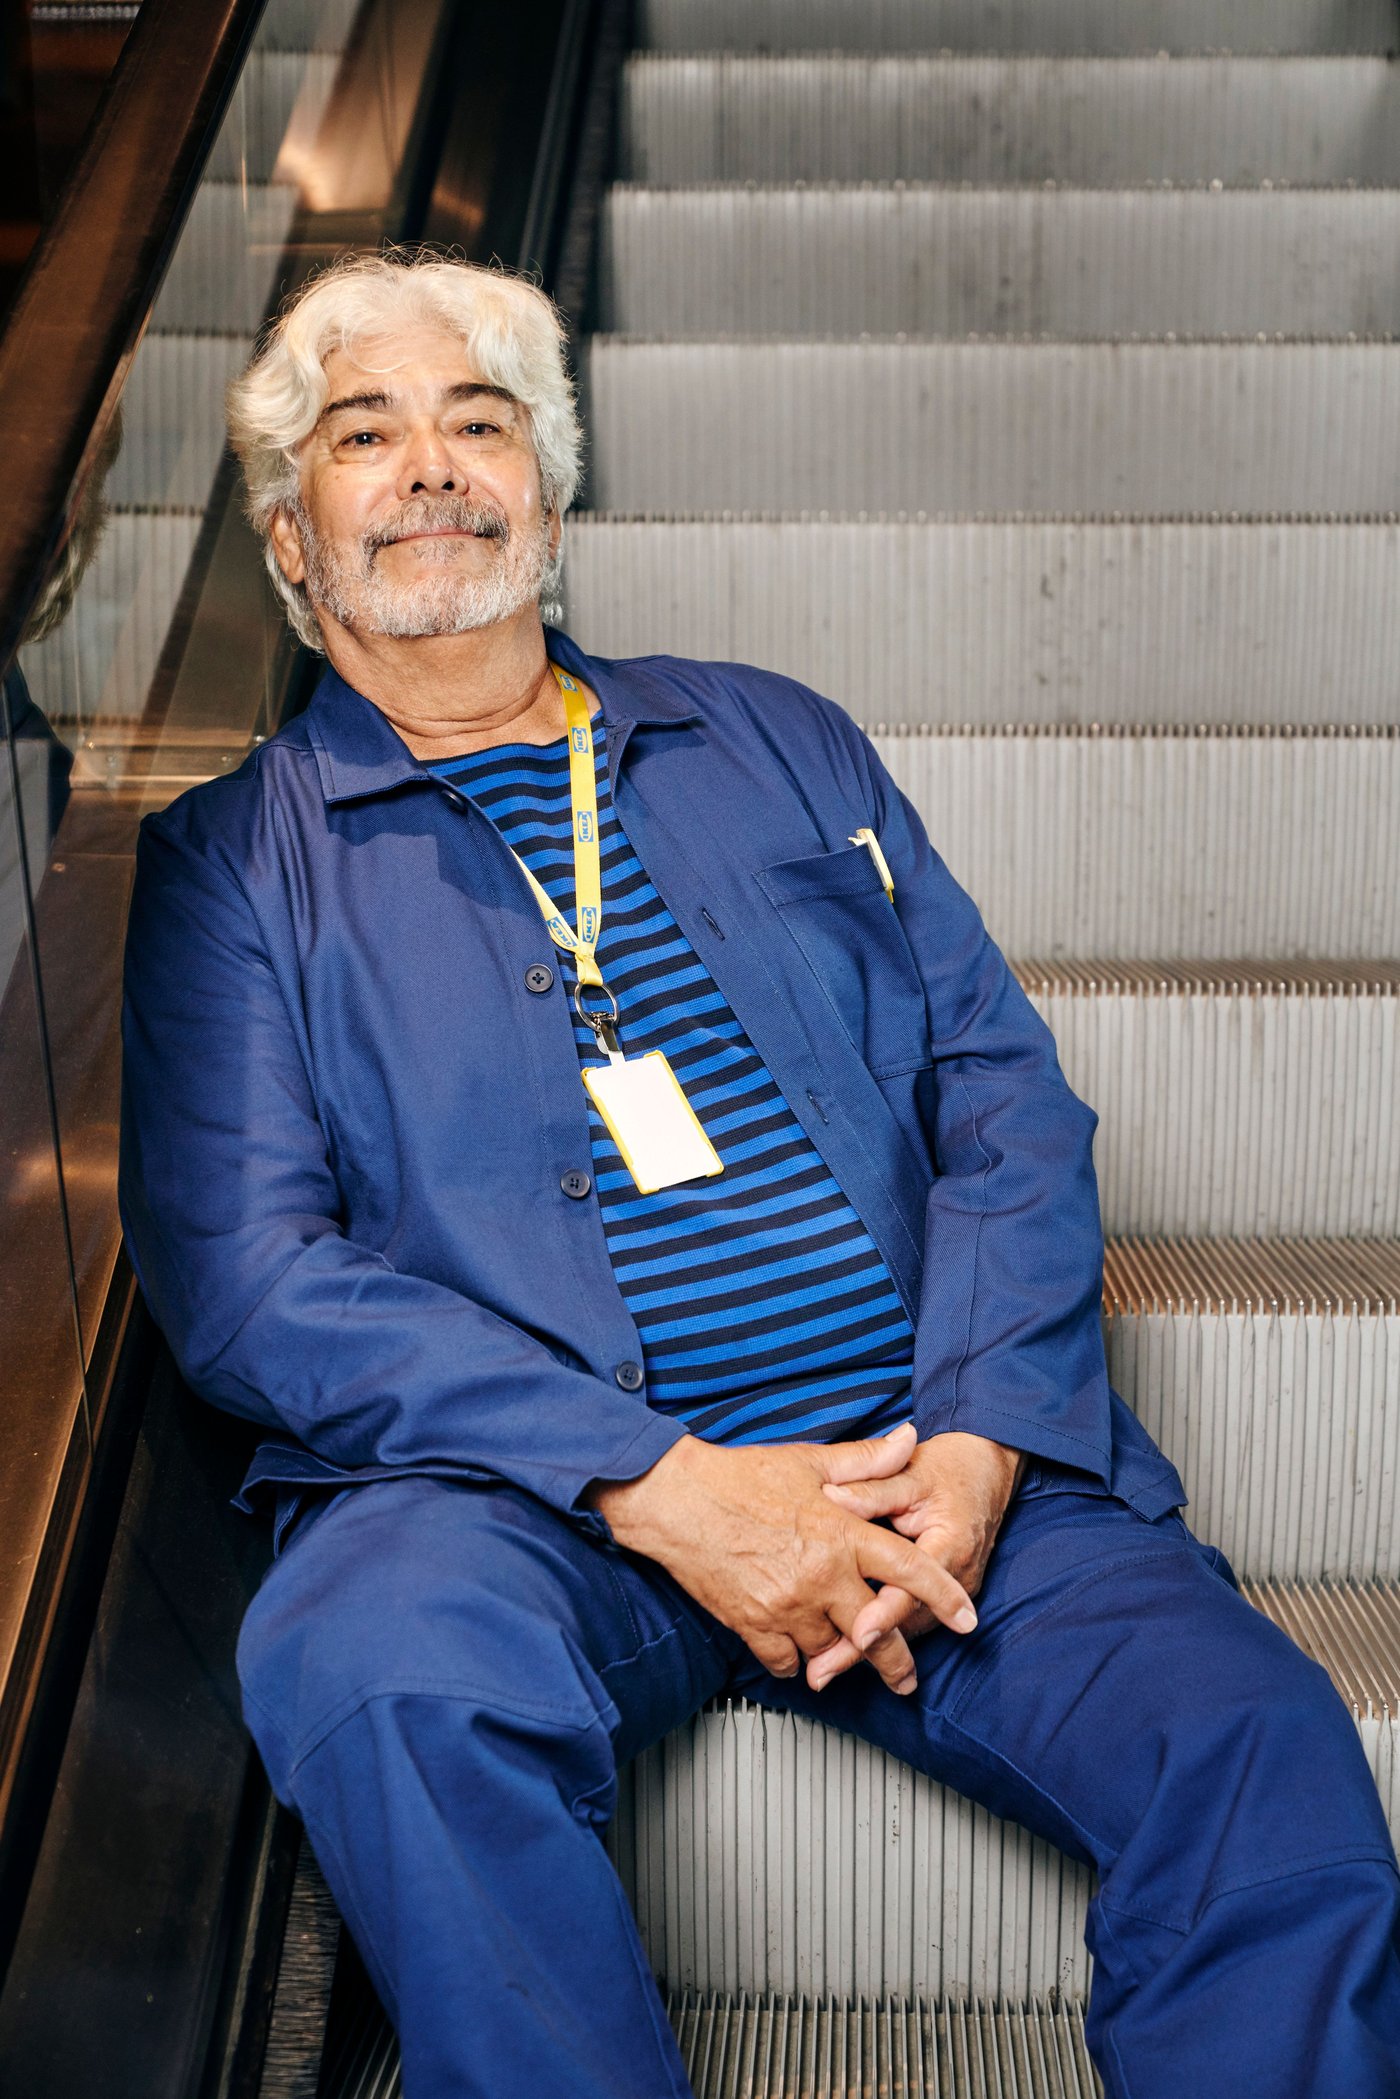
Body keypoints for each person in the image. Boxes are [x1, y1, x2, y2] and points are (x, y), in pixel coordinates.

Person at [118, 252, 1400, 2099]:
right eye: (364, 437)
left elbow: (1003, 1097)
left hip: (916, 1466)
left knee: (1256, 1734)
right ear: (290, 542)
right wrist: (654, 1481)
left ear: (549, 498)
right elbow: (248, 1277)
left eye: (481, 425)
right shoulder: (238, 867)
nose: (431, 469)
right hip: (531, 1506)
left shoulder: (774, 738)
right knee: (375, 1670)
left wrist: (981, 1434)